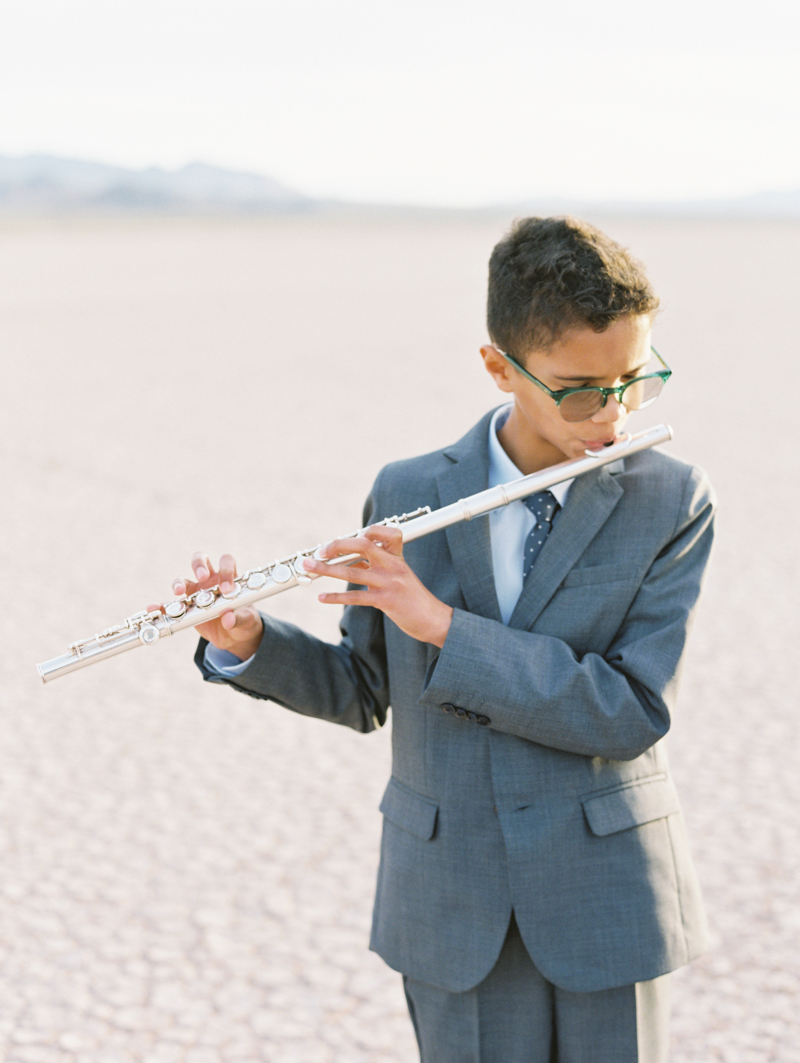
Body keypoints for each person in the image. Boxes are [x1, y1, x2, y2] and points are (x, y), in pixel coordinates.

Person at [171, 217, 715, 1063]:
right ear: (500, 366)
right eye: (581, 388)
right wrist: (246, 639)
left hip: (608, 894)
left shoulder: (669, 497)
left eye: (636, 380)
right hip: (452, 899)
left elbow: (630, 707)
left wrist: (441, 627)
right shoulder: (408, 489)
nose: (613, 414)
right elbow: (360, 690)